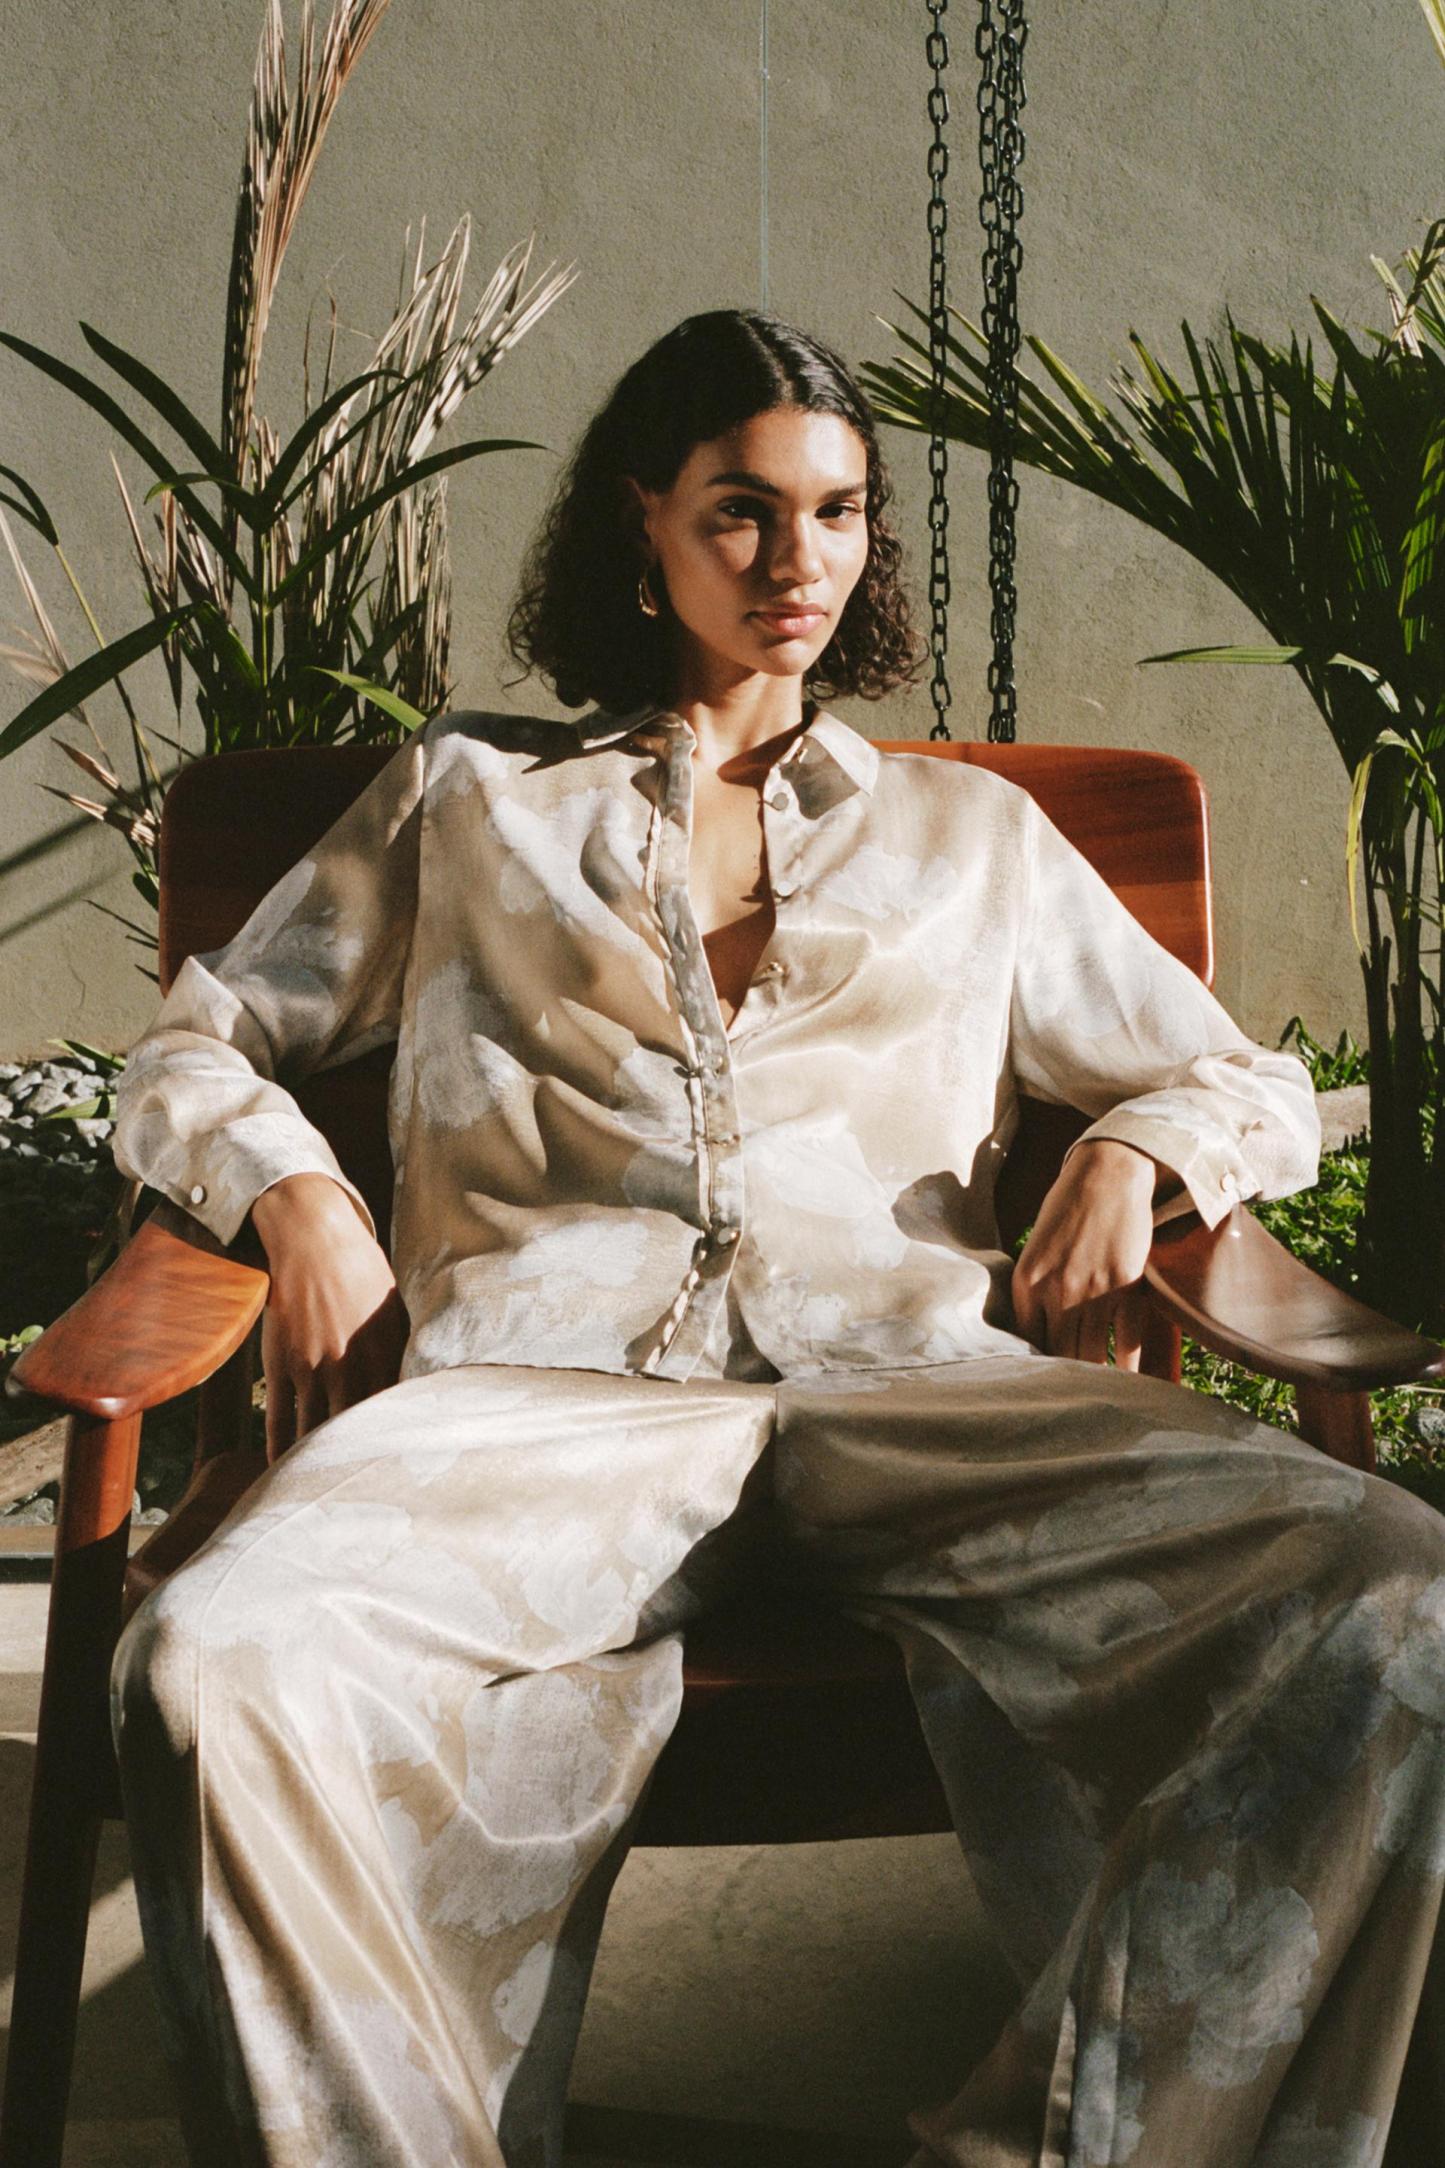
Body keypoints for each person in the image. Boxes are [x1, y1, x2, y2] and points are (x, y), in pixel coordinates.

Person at [108, 308, 1445, 2168]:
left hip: (923, 1393)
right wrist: (299, 1192)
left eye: (835, 512)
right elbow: (198, 1043)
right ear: (642, 524)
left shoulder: (971, 837)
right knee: (208, 1663)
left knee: (1399, 1595)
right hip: (533, 1408)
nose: (794, 560)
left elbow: (1244, 1078)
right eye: (740, 511)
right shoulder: (469, 802)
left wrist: (1138, 1144)